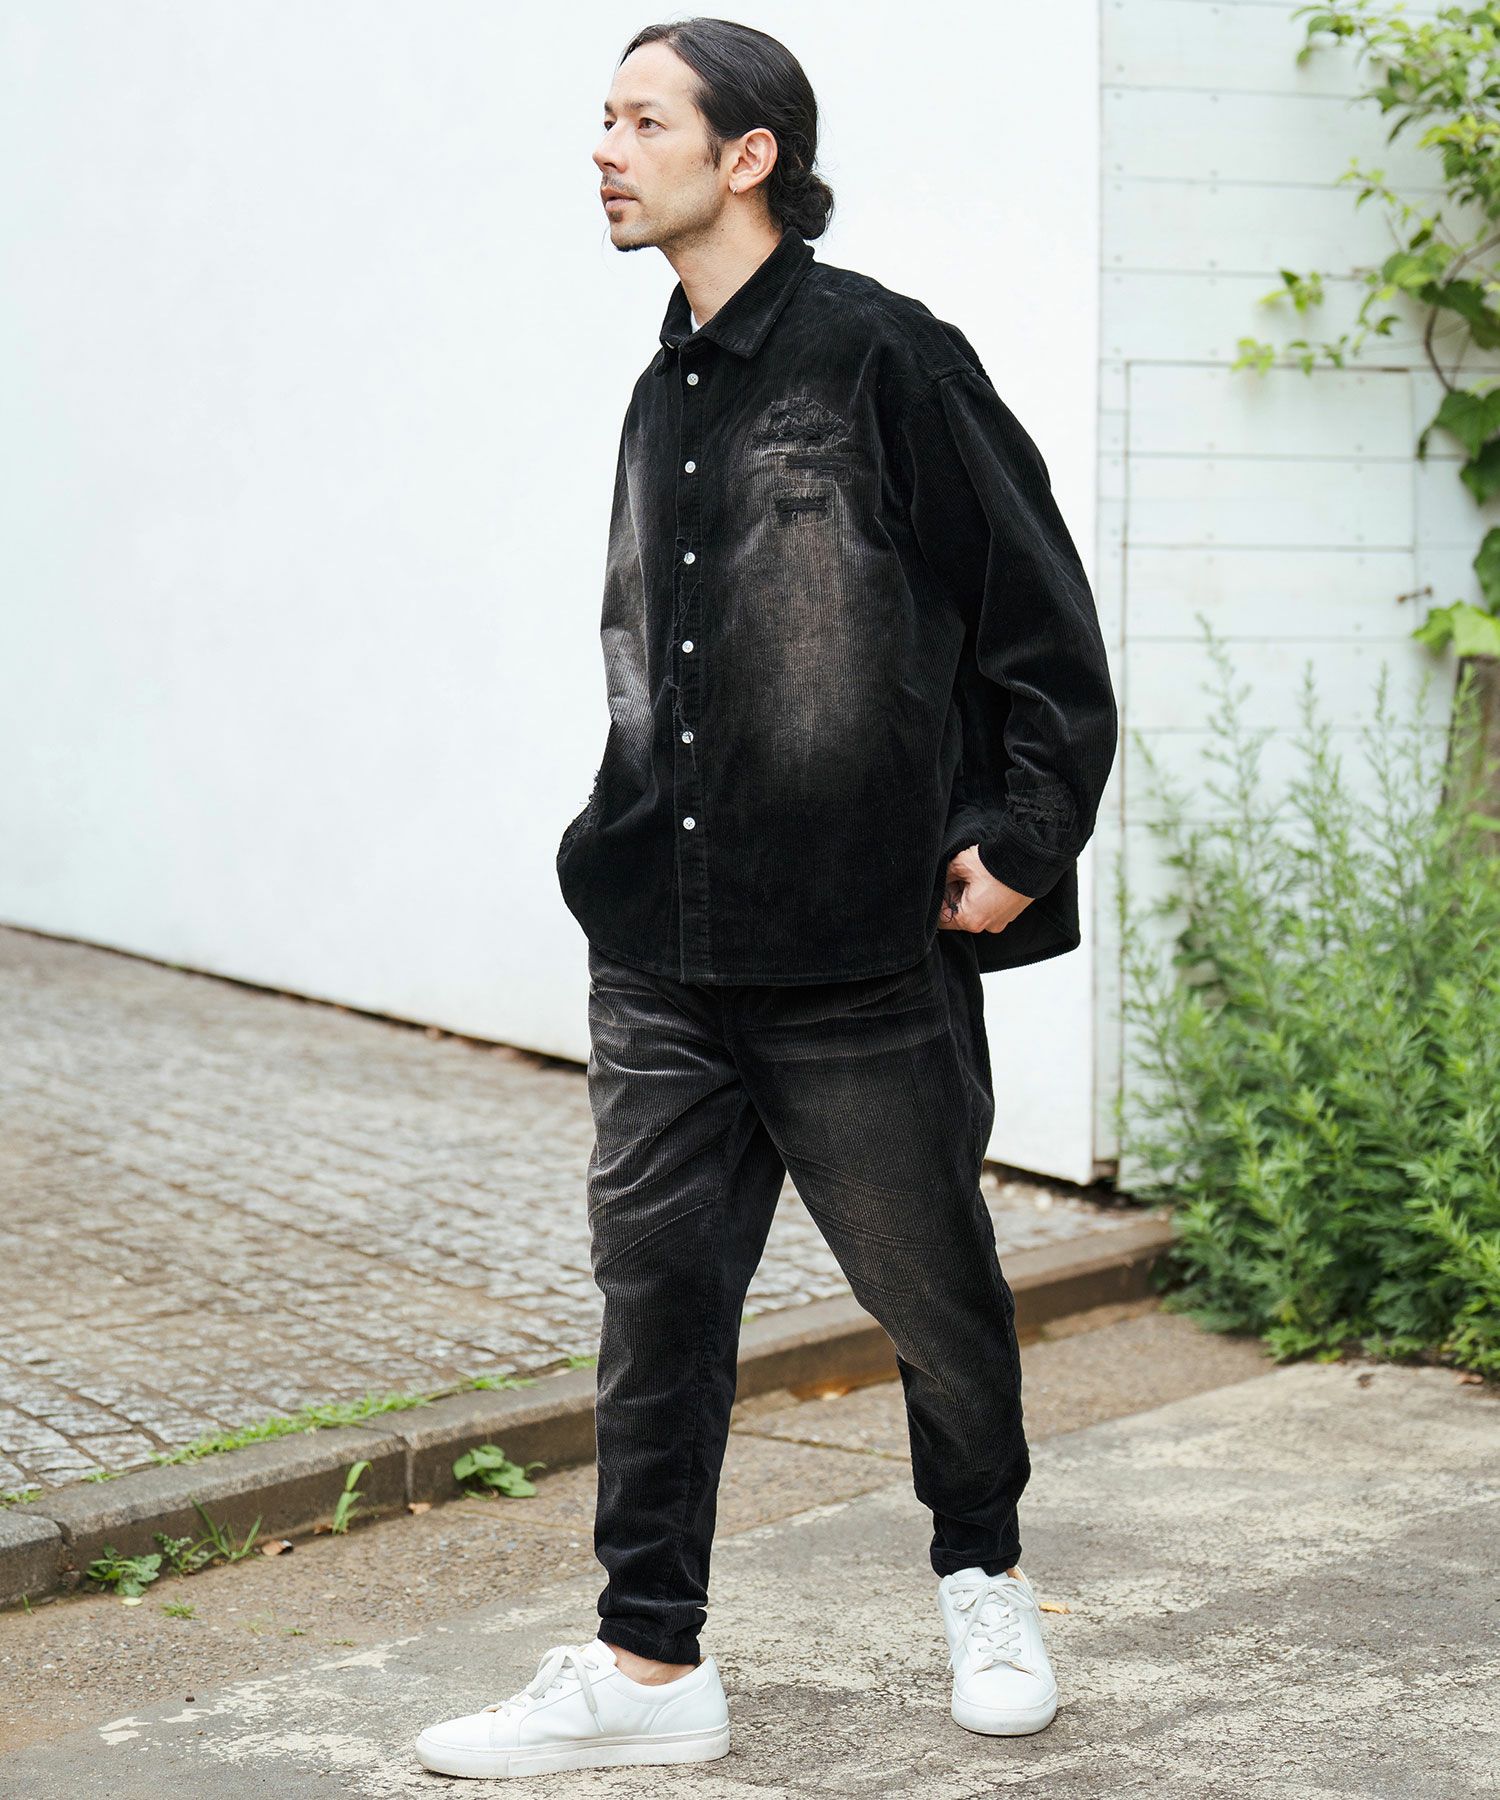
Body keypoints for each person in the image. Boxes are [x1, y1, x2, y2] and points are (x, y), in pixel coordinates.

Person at [415, 15, 1117, 1782]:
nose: (604, 149)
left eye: (642, 120)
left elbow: (1038, 622)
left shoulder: (887, 355)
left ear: (750, 157)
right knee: (656, 1307)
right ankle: (649, 1665)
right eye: (603, 117)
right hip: (664, 945)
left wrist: (1026, 835)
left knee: (934, 1296)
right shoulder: (663, 385)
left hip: (858, 950)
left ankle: (984, 1577)